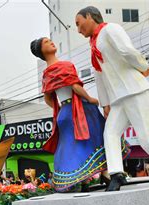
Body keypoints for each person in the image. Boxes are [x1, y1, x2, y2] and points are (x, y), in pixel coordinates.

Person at [75, 7, 149, 191]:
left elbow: (127, 50)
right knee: (110, 134)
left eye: (79, 23)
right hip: (118, 98)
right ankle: (117, 174)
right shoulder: (93, 44)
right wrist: (106, 103)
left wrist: (143, 66)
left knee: (147, 138)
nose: (78, 29)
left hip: (135, 91)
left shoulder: (110, 29)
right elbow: (100, 75)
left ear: (89, 17)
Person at [30, 37, 128, 192]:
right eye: (47, 42)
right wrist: (90, 99)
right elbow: (75, 86)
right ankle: (107, 173)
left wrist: (62, 107)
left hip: (64, 113)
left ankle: (76, 179)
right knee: (99, 139)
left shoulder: (46, 74)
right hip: (81, 110)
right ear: (43, 50)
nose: (51, 42)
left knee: (70, 147)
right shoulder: (64, 65)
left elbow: (48, 98)